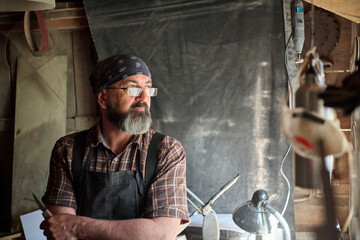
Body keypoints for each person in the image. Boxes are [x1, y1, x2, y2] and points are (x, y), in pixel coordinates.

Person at [40, 54, 189, 240]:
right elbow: (61, 228)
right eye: (133, 88)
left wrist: (78, 227)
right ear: (103, 98)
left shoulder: (166, 150)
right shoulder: (68, 150)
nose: (144, 97)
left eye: (148, 88)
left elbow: (163, 233)